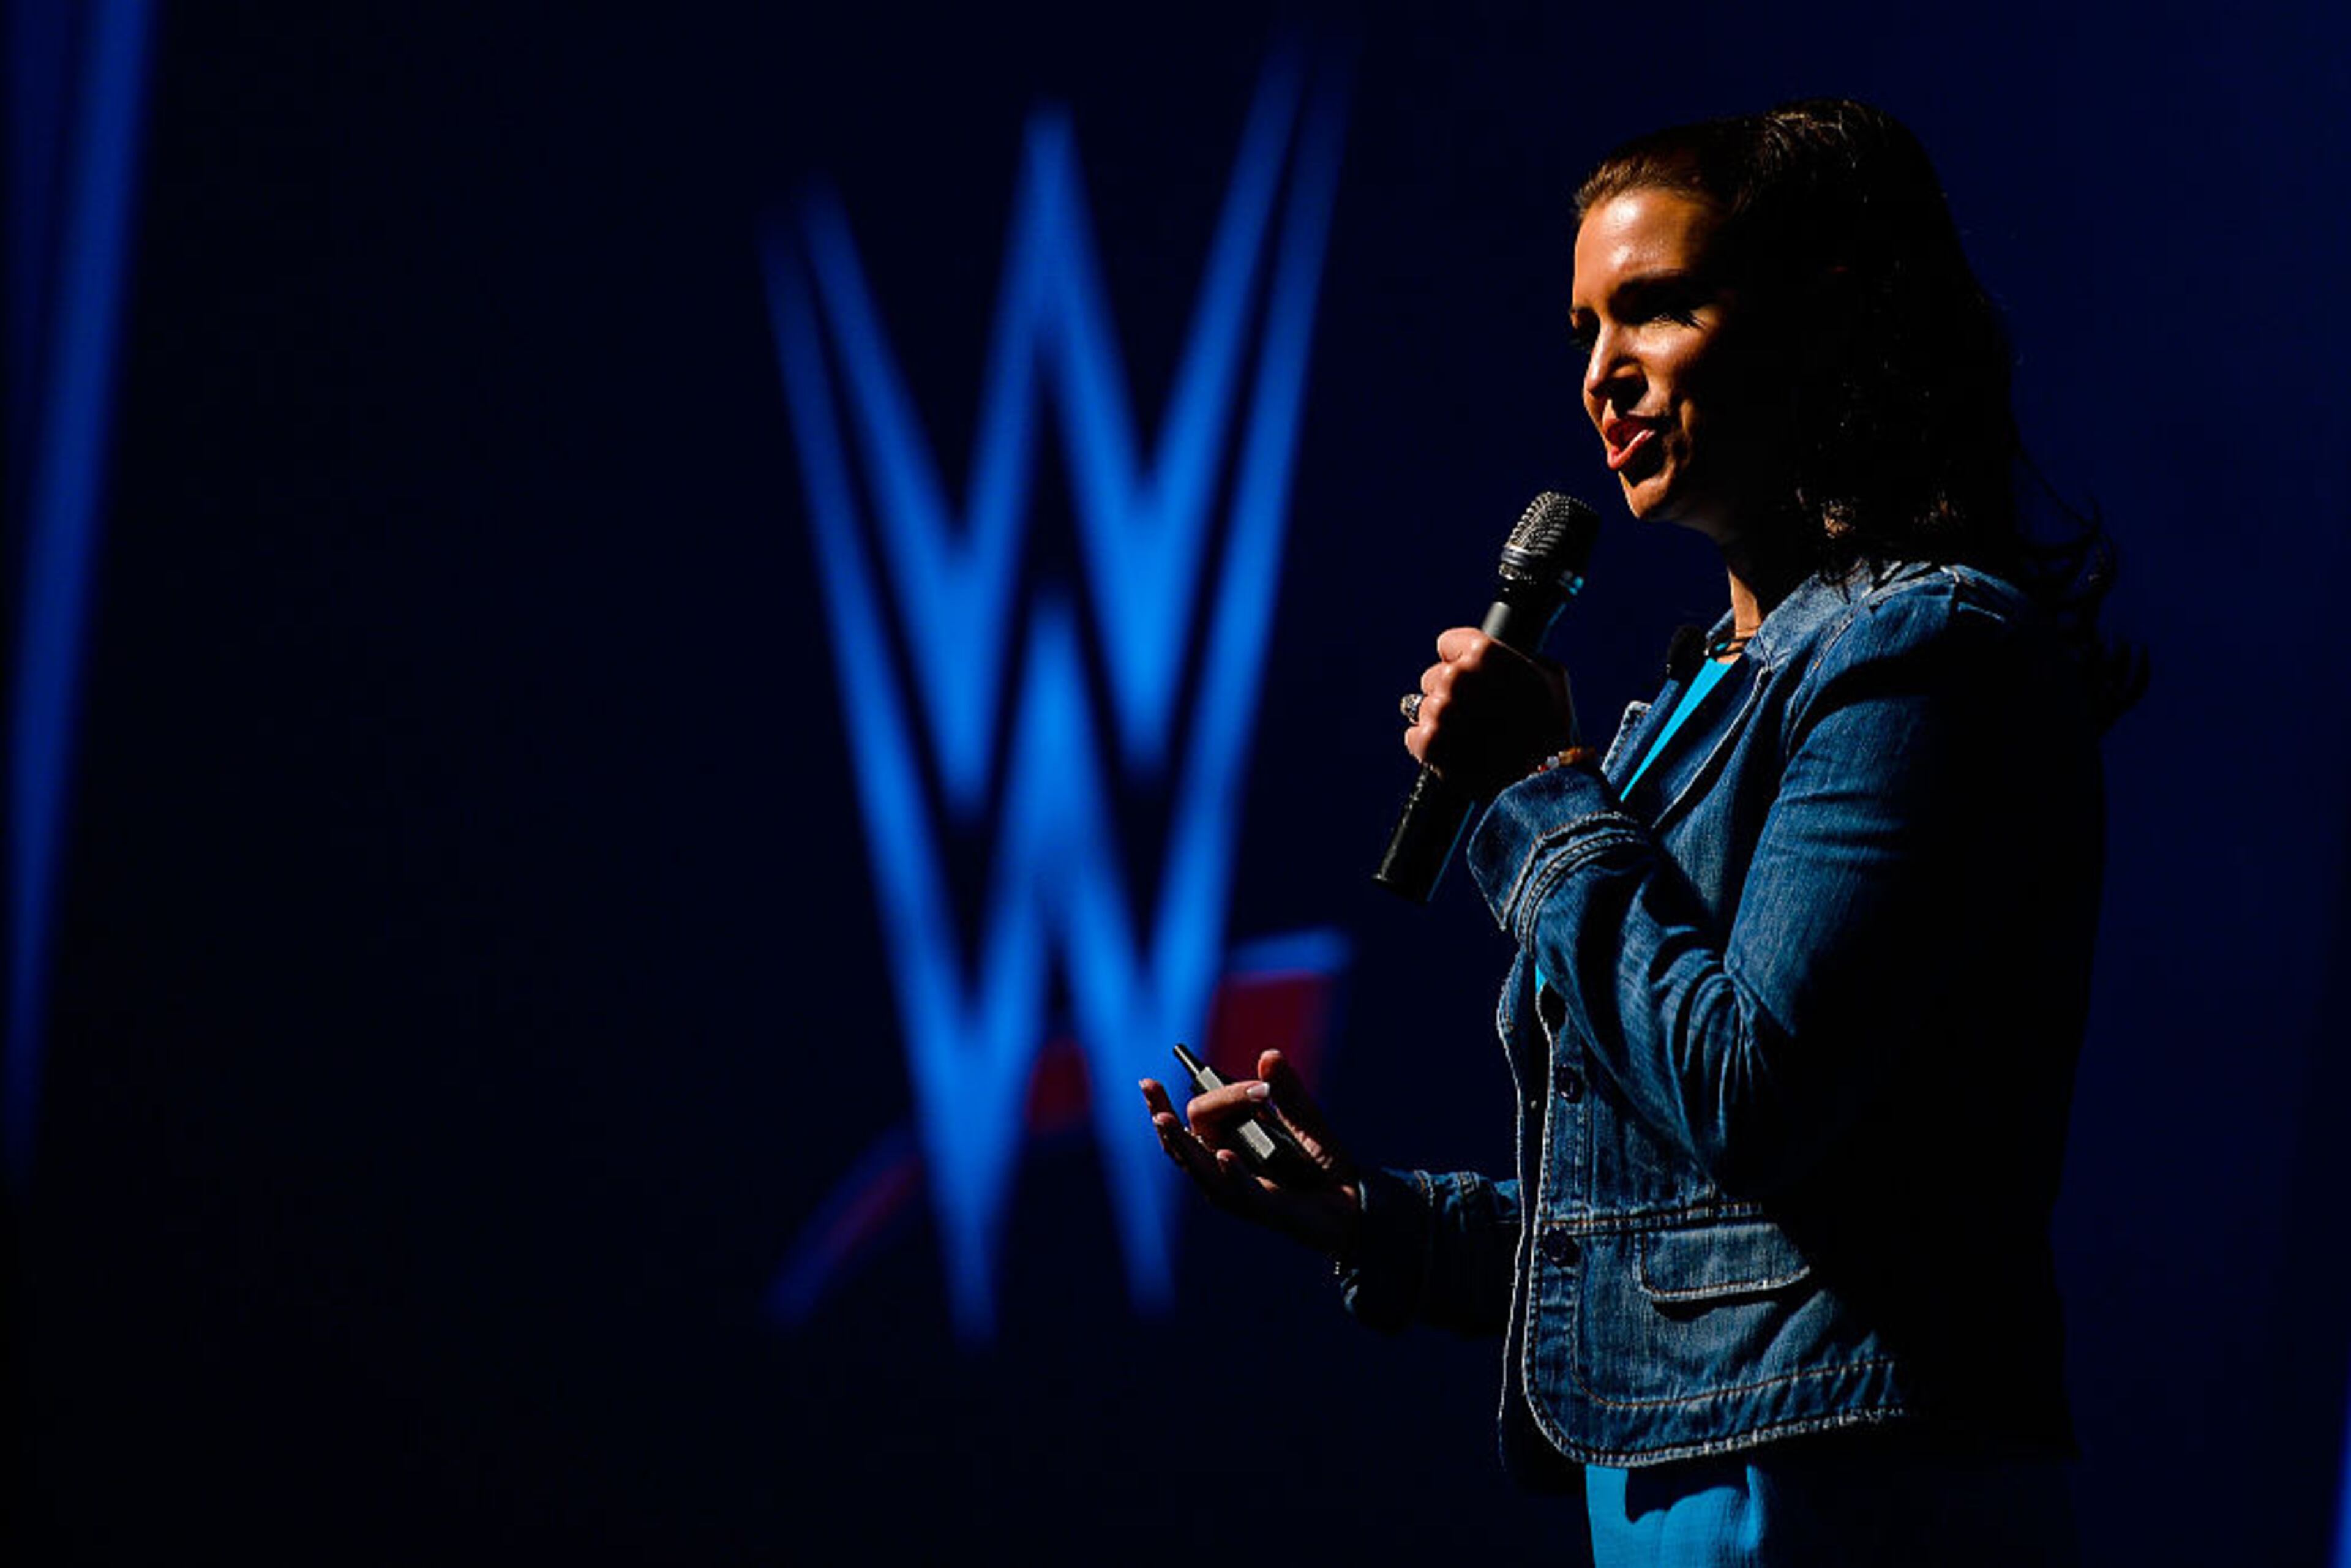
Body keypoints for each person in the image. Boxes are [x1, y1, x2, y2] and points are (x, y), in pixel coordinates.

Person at [1139, 99, 2135, 1566]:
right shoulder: (1689, 706)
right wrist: (1371, 1218)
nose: (1604, 376)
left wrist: (1538, 783)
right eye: (1584, 332)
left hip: (1850, 1498)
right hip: (1686, 1494)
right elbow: (1667, 1225)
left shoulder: (1924, 655)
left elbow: (1750, 1093)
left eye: (1656, 311)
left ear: (1824, 316)